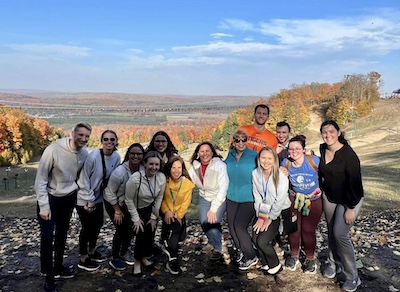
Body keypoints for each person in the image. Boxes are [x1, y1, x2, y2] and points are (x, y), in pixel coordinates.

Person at [35, 122, 92, 292]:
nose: (83, 139)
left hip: (68, 199)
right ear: (72, 133)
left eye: (87, 136)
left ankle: (58, 267)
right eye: (80, 135)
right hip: (50, 198)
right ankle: (49, 275)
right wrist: (44, 206)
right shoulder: (53, 150)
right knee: (47, 237)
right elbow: (41, 180)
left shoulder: (84, 154)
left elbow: (81, 178)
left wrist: (87, 198)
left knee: (62, 234)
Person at [319, 120, 364, 292]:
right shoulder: (323, 149)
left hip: (350, 199)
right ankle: (334, 263)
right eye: (324, 132)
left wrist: (351, 208)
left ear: (338, 133)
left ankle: (353, 276)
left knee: (340, 233)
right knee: (331, 232)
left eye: (331, 131)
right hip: (330, 197)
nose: (328, 134)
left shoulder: (349, 156)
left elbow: (355, 185)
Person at [76, 130, 121, 272]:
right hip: (84, 197)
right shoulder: (93, 157)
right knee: (87, 227)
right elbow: (84, 179)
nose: (109, 142)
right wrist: (89, 200)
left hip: (98, 197)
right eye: (106, 139)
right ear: (101, 141)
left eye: (112, 139)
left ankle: (92, 250)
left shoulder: (116, 157)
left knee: (98, 224)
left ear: (116, 141)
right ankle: (83, 258)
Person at [281, 135, 322, 274]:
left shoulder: (313, 161)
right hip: (294, 198)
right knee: (293, 228)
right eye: (291, 149)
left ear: (304, 150)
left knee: (308, 230)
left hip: (313, 199)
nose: (294, 151)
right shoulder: (285, 163)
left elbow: (327, 175)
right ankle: (294, 256)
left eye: (298, 148)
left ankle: (310, 258)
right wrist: (282, 175)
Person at [125, 151, 167, 277]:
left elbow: (159, 197)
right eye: (151, 164)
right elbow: (128, 199)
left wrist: (154, 217)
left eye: (157, 165)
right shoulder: (136, 179)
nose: (154, 167)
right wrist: (136, 219)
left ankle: (143, 257)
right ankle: (137, 262)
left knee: (150, 234)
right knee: (140, 234)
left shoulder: (161, 178)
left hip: (150, 209)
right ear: (145, 163)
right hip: (135, 209)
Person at [104, 143, 145, 271]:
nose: (135, 156)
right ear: (128, 154)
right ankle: (115, 257)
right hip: (113, 202)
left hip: (128, 202)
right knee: (121, 229)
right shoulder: (120, 172)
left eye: (139, 154)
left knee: (131, 228)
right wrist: (117, 211)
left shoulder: (142, 169)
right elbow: (110, 193)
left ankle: (124, 252)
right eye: (133, 153)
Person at [251, 146, 291, 275]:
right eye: (263, 158)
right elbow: (257, 195)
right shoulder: (255, 173)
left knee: (263, 241)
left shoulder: (280, 176)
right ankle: (266, 263)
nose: (266, 161)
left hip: (278, 211)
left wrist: (269, 218)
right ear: (259, 159)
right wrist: (261, 217)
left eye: (269, 158)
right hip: (264, 210)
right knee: (255, 237)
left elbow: (280, 200)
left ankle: (275, 264)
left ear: (274, 160)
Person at [188, 142, 229, 262]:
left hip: (218, 197)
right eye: (202, 151)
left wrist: (214, 208)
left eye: (207, 151)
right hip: (204, 196)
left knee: (213, 221)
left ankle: (218, 248)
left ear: (212, 152)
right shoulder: (194, 166)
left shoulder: (220, 165)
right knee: (203, 221)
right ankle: (213, 241)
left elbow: (223, 187)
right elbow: (188, 180)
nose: (205, 154)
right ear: (197, 153)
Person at [224, 130, 258, 270]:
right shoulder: (230, 155)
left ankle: (251, 255)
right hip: (232, 196)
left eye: (243, 139)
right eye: (237, 140)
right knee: (231, 226)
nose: (241, 143)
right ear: (233, 142)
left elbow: (266, 170)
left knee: (240, 226)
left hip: (248, 197)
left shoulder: (254, 156)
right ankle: (242, 251)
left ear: (247, 140)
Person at [160, 156, 195, 275]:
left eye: (179, 167)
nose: (176, 170)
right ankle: (172, 259)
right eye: (173, 167)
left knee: (181, 235)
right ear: (169, 169)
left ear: (182, 168)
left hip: (179, 211)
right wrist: (167, 211)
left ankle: (164, 241)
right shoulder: (164, 180)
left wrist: (179, 216)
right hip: (165, 209)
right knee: (175, 228)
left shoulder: (187, 184)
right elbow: (161, 199)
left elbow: (186, 202)